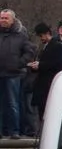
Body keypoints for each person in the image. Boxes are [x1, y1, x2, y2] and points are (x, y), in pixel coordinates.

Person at [0, 10, 35, 139]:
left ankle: (14, 131)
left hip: (13, 74)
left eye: (6, 18)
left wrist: (19, 63)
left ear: (12, 20)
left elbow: (30, 51)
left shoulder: (20, 35)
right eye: (1, 18)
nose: (3, 20)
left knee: (13, 103)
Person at [28, 23, 62, 135]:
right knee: (41, 109)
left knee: (46, 108)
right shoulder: (45, 46)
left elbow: (56, 64)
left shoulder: (56, 46)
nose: (41, 38)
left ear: (47, 33)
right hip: (43, 81)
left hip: (49, 82)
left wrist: (40, 65)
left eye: (41, 36)